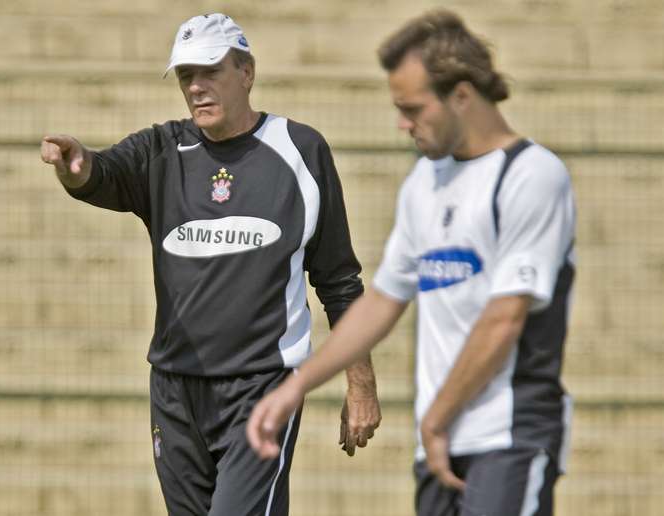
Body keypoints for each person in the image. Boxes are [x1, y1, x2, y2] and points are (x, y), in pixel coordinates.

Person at [39, 13, 381, 516]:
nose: (196, 87)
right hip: (175, 390)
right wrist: (77, 167)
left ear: (246, 72)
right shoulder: (160, 149)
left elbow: (340, 283)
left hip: (262, 386)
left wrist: (362, 385)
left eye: (210, 71)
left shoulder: (301, 151)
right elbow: (101, 174)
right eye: (185, 76)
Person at [247, 9, 576, 516]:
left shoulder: (532, 176)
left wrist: (439, 417)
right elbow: (381, 301)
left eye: (413, 108)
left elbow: (505, 316)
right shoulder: (426, 181)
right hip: (438, 440)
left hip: (510, 436)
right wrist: (296, 388)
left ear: (461, 96)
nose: (402, 123)